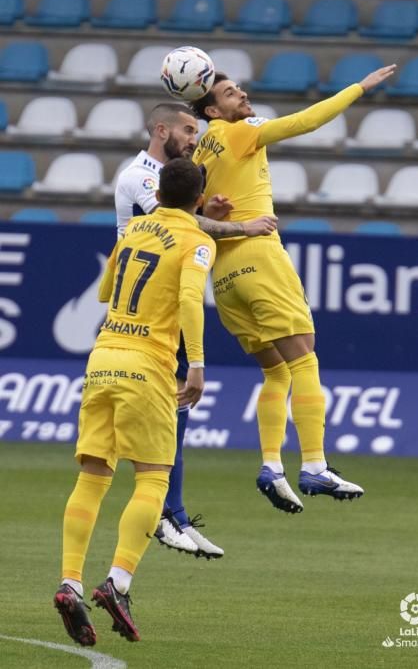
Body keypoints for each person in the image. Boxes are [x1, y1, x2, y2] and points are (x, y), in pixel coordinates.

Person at [191, 65, 397, 513]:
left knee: (276, 372)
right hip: (259, 255)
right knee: (304, 359)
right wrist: (358, 88)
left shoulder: (196, 155)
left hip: (222, 276)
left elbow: (191, 210)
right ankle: (315, 465)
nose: (241, 94)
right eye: (229, 93)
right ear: (212, 110)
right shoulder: (238, 130)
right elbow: (306, 121)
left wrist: (214, 205)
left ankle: (271, 466)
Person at [54, 158, 218, 646]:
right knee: (152, 477)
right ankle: (118, 583)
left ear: (159, 191)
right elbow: (190, 299)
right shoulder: (198, 240)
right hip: (147, 365)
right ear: (199, 198)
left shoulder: (135, 229)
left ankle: (69, 582)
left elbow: (106, 289)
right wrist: (199, 363)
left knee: (92, 476)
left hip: (102, 358)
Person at [110, 102, 277, 558]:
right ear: (160, 129)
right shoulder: (140, 177)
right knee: (157, 422)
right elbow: (179, 227)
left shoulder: (172, 179)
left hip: (161, 308)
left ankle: (174, 513)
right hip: (146, 315)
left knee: (176, 415)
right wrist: (244, 226)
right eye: (187, 130)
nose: (192, 138)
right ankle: (163, 514)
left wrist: (217, 215)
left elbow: (184, 227)